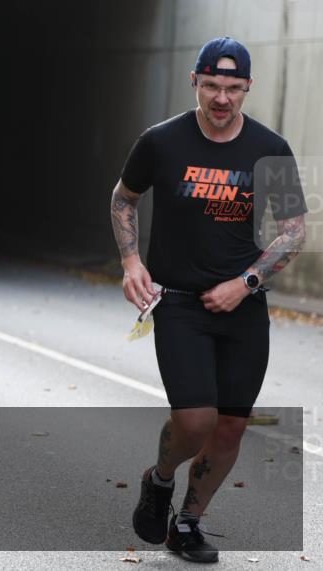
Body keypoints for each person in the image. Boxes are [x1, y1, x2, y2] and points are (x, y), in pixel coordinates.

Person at [112, 37, 307, 563]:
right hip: (178, 302)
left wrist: (245, 283)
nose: (222, 98)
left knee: (230, 428)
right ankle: (159, 479)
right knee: (195, 421)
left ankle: (187, 524)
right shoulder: (161, 142)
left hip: (243, 308)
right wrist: (132, 262)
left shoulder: (270, 148)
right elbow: (124, 197)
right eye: (213, 86)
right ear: (195, 81)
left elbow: (292, 232)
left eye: (233, 88)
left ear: (248, 88)